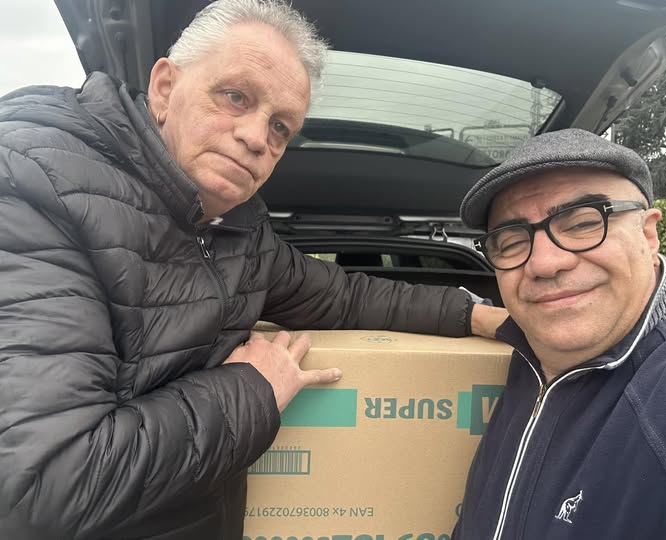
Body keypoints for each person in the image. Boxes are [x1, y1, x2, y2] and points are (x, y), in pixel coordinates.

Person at [0, 1, 507, 539]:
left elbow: (344, 297)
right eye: (235, 96)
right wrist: (252, 388)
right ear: (165, 88)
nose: (256, 137)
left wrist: (477, 315)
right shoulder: (38, 191)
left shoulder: (238, 229)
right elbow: (41, 489)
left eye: (281, 127)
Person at [452, 128, 666, 539]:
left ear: (649, 234)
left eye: (581, 223)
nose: (545, 263)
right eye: (510, 241)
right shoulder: (532, 360)